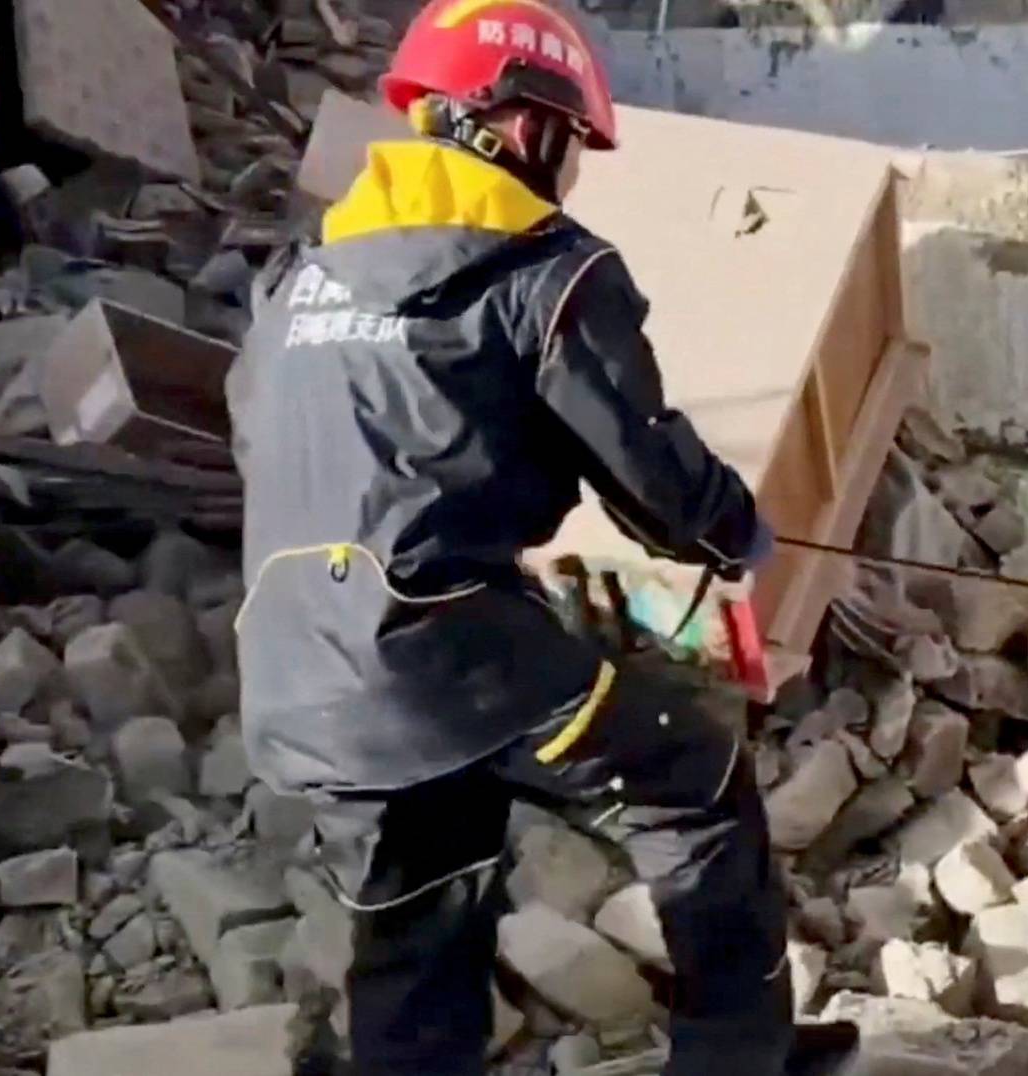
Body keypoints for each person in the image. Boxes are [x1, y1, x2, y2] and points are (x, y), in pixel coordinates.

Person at [224, 1, 793, 1072]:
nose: (572, 173)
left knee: (417, 909)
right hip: (442, 653)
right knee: (693, 766)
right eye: (573, 144)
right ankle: (743, 1054)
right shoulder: (550, 273)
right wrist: (735, 536)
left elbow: (260, 435)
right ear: (527, 128)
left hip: (296, 664)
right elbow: (650, 470)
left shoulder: (297, 277)